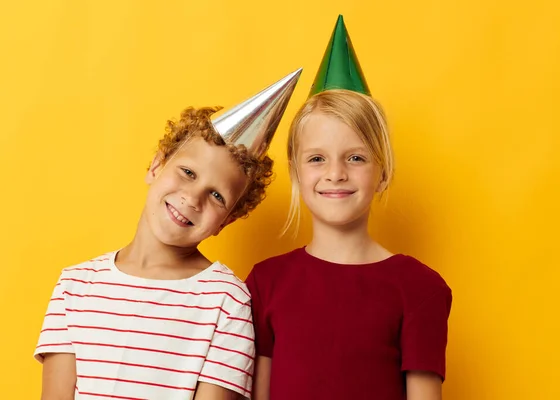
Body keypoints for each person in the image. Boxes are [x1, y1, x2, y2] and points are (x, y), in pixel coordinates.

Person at [34, 69, 302, 400]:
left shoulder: (226, 302)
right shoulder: (75, 286)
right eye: (187, 172)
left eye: (216, 195)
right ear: (156, 165)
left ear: (227, 221)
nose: (193, 198)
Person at [246, 16, 451, 400]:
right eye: (317, 159)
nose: (336, 174)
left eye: (355, 158)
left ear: (384, 171)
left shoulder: (420, 288)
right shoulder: (265, 283)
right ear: (295, 172)